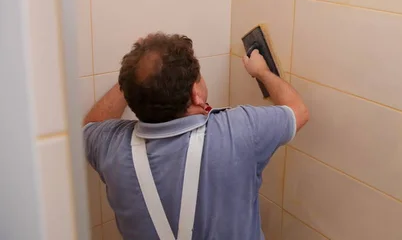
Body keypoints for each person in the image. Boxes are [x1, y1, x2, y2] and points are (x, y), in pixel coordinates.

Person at [83, 33, 309, 240]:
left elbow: (91, 124)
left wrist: (137, 76)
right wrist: (261, 72)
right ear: (196, 93)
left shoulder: (110, 146)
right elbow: (298, 110)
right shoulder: (239, 130)